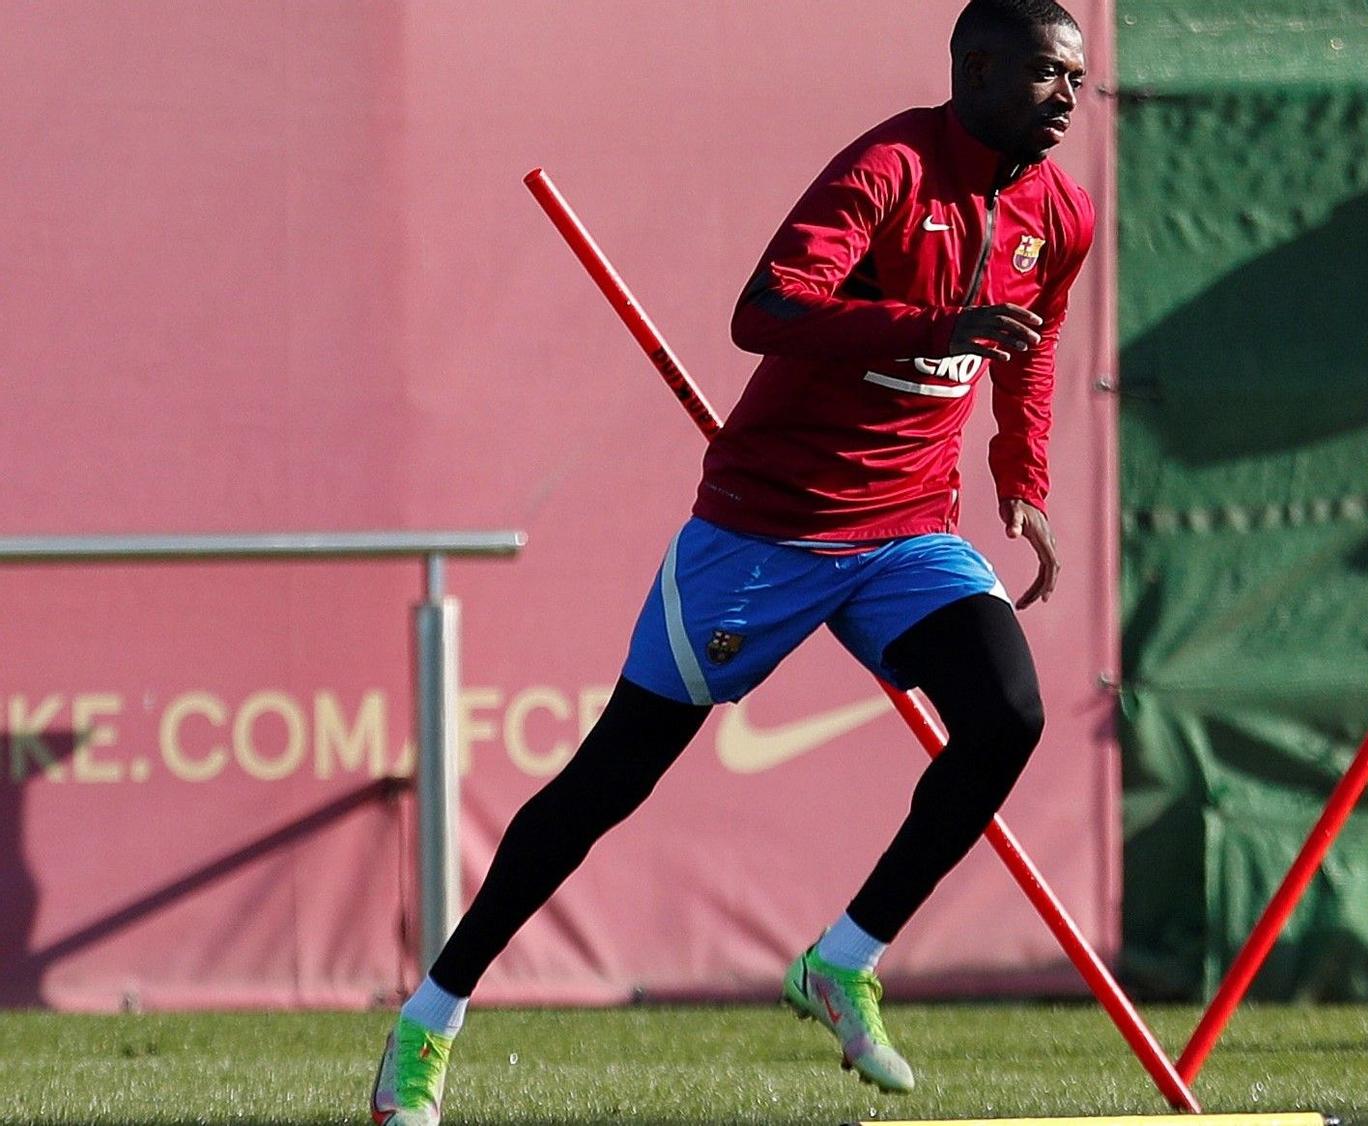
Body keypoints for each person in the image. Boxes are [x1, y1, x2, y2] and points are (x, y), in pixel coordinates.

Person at [371, 1, 1092, 1121]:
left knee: (1007, 714)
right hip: (767, 528)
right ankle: (429, 1019)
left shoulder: (1062, 211)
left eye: (1080, 78)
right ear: (979, 67)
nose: (1069, 96)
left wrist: (1024, 486)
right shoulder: (887, 167)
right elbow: (763, 312)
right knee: (608, 783)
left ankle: (840, 960)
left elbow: (1027, 353)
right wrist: (923, 325)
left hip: (909, 531)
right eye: (1050, 73)